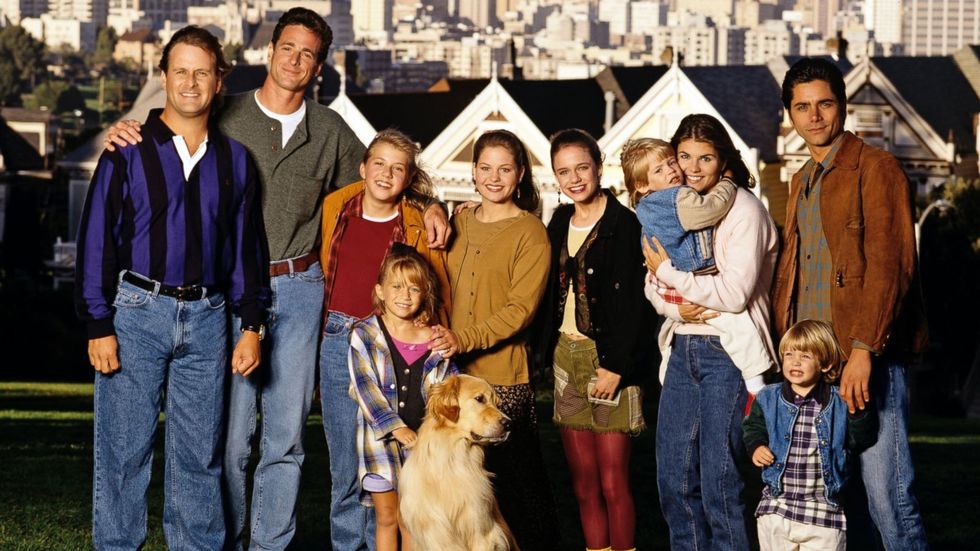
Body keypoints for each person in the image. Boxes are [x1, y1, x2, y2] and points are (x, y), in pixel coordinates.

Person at [103, 10, 451, 549]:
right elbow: (178, 117)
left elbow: (381, 177)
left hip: (300, 287)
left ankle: (271, 544)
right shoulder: (226, 111)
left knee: (285, 438)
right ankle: (229, 539)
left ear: (318, 66)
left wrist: (426, 204)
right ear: (270, 51)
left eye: (308, 53)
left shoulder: (330, 131)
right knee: (230, 438)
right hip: (228, 293)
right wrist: (127, 128)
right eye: (287, 48)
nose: (295, 60)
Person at [75, 26, 268, 550]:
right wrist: (98, 323)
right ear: (162, 77)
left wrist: (251, 325)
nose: (190, 82)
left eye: (201, 71)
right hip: (135, 312)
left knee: (198, 459)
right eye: (179, 70)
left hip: (208, 319)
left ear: (219, 80)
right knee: (123, 452)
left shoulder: (235, 162)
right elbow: (97, 241)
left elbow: (246, 251)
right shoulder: (126, 151)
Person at [772, 57, 930, 550]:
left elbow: (891, 265)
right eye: (802, 107)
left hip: (869, 358)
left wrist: (863, 349)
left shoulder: (877, 168)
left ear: (841, 106)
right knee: (836, 502)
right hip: (814, 365)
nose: (814, 116)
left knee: (889, 498)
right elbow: (791, 274)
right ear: (790, 115)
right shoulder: (800, 180)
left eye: (824, 103)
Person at [642, 114, 779, 550]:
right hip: (682, 347)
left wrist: (670, 276)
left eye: (705, 157)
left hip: (730, 354)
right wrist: (681, 305)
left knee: (721, 483)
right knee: (674, 482)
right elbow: (651, 285)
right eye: (684, 156)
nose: (693, 167)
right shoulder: (672, 204)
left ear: (723, 160)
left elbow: (734, 293)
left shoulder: (745, 209)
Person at [318, 128, 451, 549]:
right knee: (345, 463)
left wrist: (442, 333)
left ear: (409, 179)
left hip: (395, 346)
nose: (386, 174)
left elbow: (436, 286)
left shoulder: (416, 221)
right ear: (363, 168)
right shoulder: (335, 207)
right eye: (379, 163)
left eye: (398, 168)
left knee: (397, 463)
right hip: (340, 337)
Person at [429, 129, 560, 550]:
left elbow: (519, 311)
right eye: (485, 167)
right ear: (472, 171)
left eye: (504, 169)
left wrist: (461, 339)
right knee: (470, 502)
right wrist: (434, 204)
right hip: (456, 382)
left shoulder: (530, 232)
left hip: (503, 384)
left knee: (520, 497)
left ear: (520, 174)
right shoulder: (460, 221)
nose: (494, 177)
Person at [533, 128, 653, 551]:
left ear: (599, 167)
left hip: (610, 361)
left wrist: (618, 367)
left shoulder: (625, 226)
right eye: (564, 171)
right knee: (583, 484)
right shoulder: (558, 222)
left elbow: (639, 308)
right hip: (568, 357)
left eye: (582, 167)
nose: (575, 178)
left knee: (613, 481)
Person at [622, 137, 773, 398]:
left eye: (671, 162)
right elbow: (710, 209)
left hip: (670, 284)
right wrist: (728, 181)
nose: (674, 170)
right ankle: (757, 385)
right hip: (681, 278)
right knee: (739, 327)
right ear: (643, 184)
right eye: (660, 169)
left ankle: (667, 374)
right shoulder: (674, 198)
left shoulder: (649, 204)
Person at [348, 248, 457, 551]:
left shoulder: (436, 340)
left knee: (412, 518)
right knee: (387, 517)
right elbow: (365, 387)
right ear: (380, 291)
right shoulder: (364, 334)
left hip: (422, 447)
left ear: (425, 293)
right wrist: (396, 428)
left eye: (413, 287)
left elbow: (447, 390)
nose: (405, 295)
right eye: (396, 286)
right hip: (379, 443)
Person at [743, 320, 878, 551]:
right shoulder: (768, 397)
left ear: (825, 364)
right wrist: (756, 445)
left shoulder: (839, 401)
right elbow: (752, 427)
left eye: (805, 356)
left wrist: (857, 415)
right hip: (777, 507)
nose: (795, 361)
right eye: (789, 354)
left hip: (823, 512)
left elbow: (859, 440)